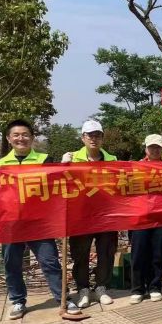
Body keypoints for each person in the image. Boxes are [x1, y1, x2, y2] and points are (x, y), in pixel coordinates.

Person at [0, 120, 80, 319]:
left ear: (32, 137)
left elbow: (58, 189)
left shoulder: (44, 160)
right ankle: (18, 301)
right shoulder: (1, 165)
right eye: (16, 135)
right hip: (11, 223)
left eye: (25, 134)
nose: (21, 138)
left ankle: (63, 299)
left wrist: (65, 167)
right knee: (12, 264)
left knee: (50, 262)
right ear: (9, 138)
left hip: (40, 223)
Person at [61, 120, 118, 308]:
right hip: (81, 217)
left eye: (97, 135)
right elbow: (59, 184)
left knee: (106, 252)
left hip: (106, 216)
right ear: (82, 138)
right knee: (80, 254)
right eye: (90, 135)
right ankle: (83, 289)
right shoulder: (72, 159)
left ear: (102, 138)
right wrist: (63, 166)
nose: (94, 139)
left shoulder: (113, 160)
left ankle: (101, 287)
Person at [128, 135, 162, 303]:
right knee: (139, 252)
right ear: (145, 148)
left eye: (158, 147)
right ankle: (137, 288)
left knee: (158, 252)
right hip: (139, 216)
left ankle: (155, 286)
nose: (155, 150)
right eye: (151, 147)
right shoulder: (135, 167)